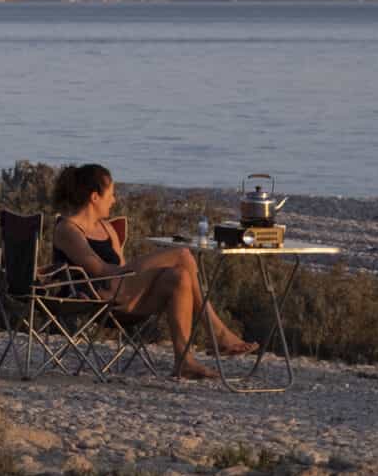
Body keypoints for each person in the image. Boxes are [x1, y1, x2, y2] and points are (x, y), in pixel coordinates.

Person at [49, 163, 255, 380]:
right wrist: (139, 269)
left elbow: (121, 267)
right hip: (96, 299)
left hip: (122, 296)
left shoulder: (108, 228)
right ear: (94, 197)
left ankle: (184, 361)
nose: (114, 200)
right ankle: (218, 332)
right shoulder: (67, 229)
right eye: (111, 194)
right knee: (182, 254)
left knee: (180, 277)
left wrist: (137, 273)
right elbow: (99, 270)